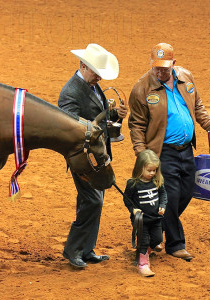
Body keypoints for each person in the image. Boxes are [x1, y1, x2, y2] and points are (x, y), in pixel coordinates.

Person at [128, 43, 210, 261]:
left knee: (187, 192)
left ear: (174, 64)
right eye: (156, 68)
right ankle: (175, 244)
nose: (160, 72)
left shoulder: (186, 77)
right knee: (170, 197)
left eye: (165, 68)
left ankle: (151, 226)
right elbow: (137, 125)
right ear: (151, 64)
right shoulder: (142, 88)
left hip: (186, 150)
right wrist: (142, 154)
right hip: (162, 152)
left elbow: (197, 105)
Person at [58, 43, 128, 268]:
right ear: (82, 66)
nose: (99, 77)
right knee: (93, 201)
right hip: (83, 159)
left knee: (94, 201)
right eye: (96, 72)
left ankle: (87, 249)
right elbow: (70, 127)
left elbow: (100, 116)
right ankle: (73, 250)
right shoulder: (70, 93)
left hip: (97, 158)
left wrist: (116, 114)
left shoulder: (92, 85)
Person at [123, 149, 167, 277]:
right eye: (149, 170)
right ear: (140, 168)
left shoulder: (157, 180)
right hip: (141, 219)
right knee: (143, 240)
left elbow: (163, 194)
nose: (152, 173)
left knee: (157, 239)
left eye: (154, 170)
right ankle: (143, 264)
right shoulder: (133, 183)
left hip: (155, 218)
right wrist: (133, 209)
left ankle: (144, 252)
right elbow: (127, 199)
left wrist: (162, 206)